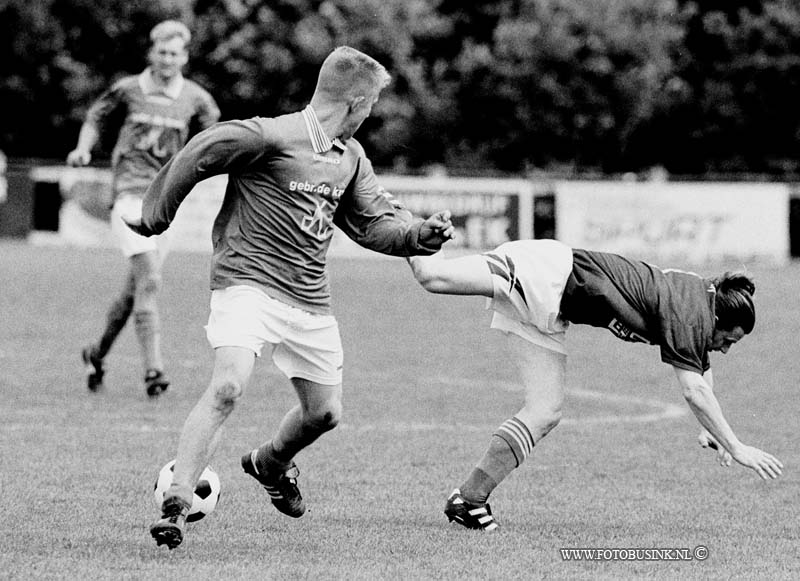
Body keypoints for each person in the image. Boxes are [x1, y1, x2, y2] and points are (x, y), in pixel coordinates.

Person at [122, 46, 455, 549]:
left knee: (324, 414)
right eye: (370, 107)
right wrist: (156, 213)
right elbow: (202, 150)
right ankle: (178, 499)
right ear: (355, 102)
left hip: (309, 298)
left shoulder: (351, 158)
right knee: (228, 386)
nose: (370, 116)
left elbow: (373, 226)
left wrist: (416, 236)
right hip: (246, 282)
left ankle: (270, 462)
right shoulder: (272, 135)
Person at [406, 239, 783, 531]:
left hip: (553, 308)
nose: (726, 350)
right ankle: (402, 227)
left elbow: (701, 369)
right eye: (729, 340)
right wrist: (736, 447)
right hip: (546, 272)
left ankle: (469, 501)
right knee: (433, 277)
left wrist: (709, 428)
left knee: (544, 411)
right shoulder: (690, 314)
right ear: (716, 318)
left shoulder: (700, 306)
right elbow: (694, 389)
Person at [67, 20, 220, 397]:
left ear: (184, 57)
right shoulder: (128, 89)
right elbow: (95, 117)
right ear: (152, 53)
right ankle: (154, 370)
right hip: (128, 196)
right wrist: (84, 147)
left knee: (136, 288)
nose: (167, 59)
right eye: (161, 52)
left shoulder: (197, 99)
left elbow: (213, 138)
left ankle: (96, 353)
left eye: (175, 53)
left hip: (165, 201)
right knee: (150, 278)